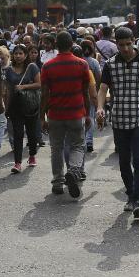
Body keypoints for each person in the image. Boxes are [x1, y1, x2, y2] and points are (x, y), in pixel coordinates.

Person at [98, 26, 139, 218]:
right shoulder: (110, 64)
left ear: (134, 41)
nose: (125, 49)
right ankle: (130, 194)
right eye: (121, 45)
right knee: (124, 162)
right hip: (119, 120)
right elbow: (103, 88)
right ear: (115, 44)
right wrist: (100, 108)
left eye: (128, 44)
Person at [40, 31, 93, 198]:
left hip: (55, 114)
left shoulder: (47, 66)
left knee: (56, 148)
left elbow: (44, 94)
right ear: (72, 44)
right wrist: (87, 114)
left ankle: (57, 181)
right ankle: (74, 170)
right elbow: (85, 91)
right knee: (78, 145)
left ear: (56, 45)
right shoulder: (82, 64)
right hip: (76, 113)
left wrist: (42, 117)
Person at [4, 44, 41, 173]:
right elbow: (8, 90)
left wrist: (24, 87)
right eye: (16, 53)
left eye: (21, 53)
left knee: (31, 133)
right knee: (18, 134)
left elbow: (39, 84)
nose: (18, 56)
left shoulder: (32, 67)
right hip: (15, 107)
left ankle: (31, 156)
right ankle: (18, 163)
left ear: (26, 55)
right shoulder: (8, 70)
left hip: (30, 105)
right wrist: (6, 107)